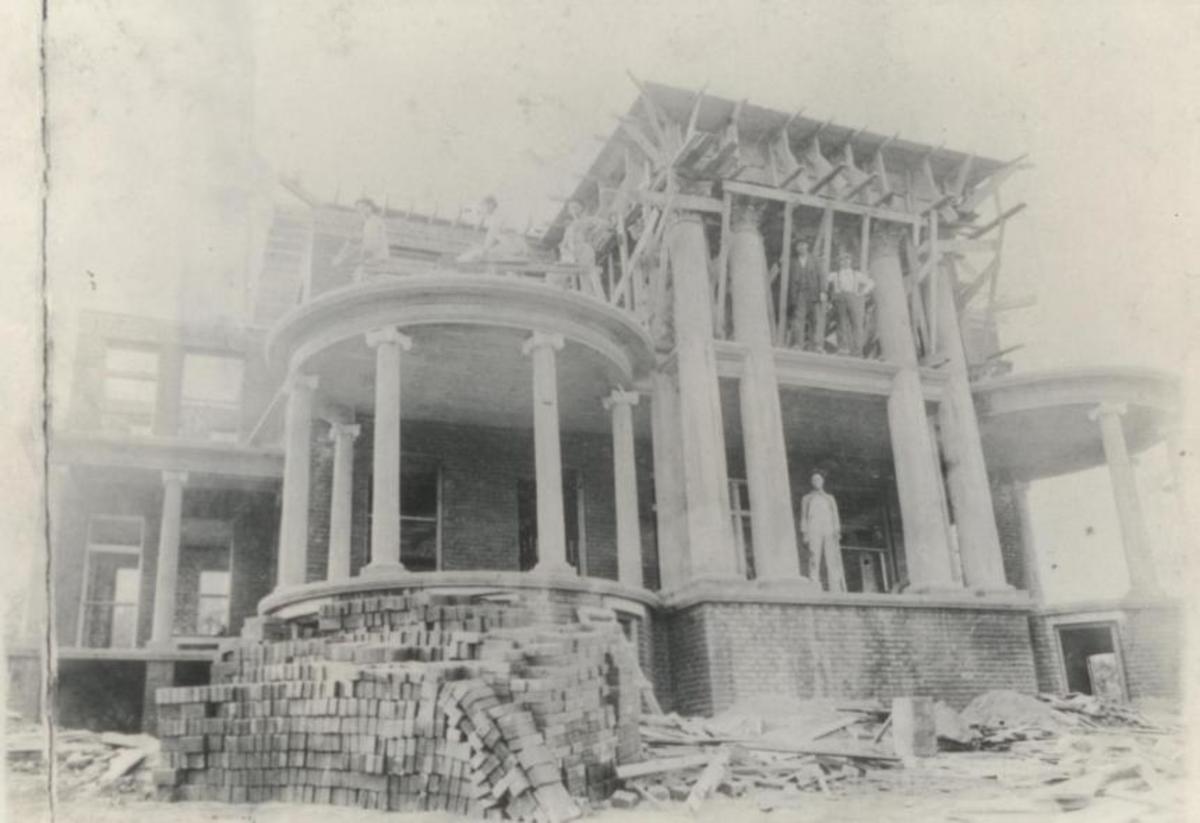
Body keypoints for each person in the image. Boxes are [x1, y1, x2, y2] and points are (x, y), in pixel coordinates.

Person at [800, 471, 846, 592]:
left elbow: (835, 515)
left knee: (831, 556)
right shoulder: (807, 498)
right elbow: (804, 516)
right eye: (814, 480)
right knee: (814, 554)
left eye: (819, 479)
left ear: (823, 481)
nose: (817, 482)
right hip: (814, 527)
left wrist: (837, 530)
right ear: (811, 482)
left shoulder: (829, 498)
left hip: (828, 528)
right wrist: (805, 533)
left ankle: (835, 584)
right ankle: (814, 581)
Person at [827, 250, 874, 356]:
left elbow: (871, 282)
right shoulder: (834, 275)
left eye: (847, 259)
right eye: (842, 260)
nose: (845, 262)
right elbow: (824, 280)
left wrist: (862, 292)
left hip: (853, 299)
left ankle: (857, 350)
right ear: (839, 262)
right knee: (841, 324)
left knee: (857, 324)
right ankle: (843, 348)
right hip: (840, 300)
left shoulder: (857, 274)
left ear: (851, 261)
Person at [457, 195, 528, 263]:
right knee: (484, 250)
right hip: (516, 245)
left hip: (515, 248)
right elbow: (496, 237)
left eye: (484, 206)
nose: (483, 208)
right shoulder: (497, 214)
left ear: (491, 205)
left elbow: (491, 235)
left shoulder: (497, 216)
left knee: (485, 252)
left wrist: (484, 250)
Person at [333, 197, 390, 280]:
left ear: (370, 208)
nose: (360, 211)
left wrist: (344, 259)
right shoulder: (368, 222)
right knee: (357, 275)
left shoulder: (373, 222)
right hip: (374, 259)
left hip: (376, 260)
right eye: (358, 209)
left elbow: (370, 247)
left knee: (359, 278)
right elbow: (358, 241)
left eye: (363, 208)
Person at [787, 237, 826, 351]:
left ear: (807, 246)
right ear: (796, 248)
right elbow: (790, 280)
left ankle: (817, 345)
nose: (801, 247)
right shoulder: (793, 261)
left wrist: (823, 291)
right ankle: (797, 344)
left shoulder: (815, 260)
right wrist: (793, 296)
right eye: (798, 245)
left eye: (803, 244)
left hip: (813, 293)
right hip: (799, 294)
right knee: (799, 319)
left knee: (816, 320)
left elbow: (821, 276)